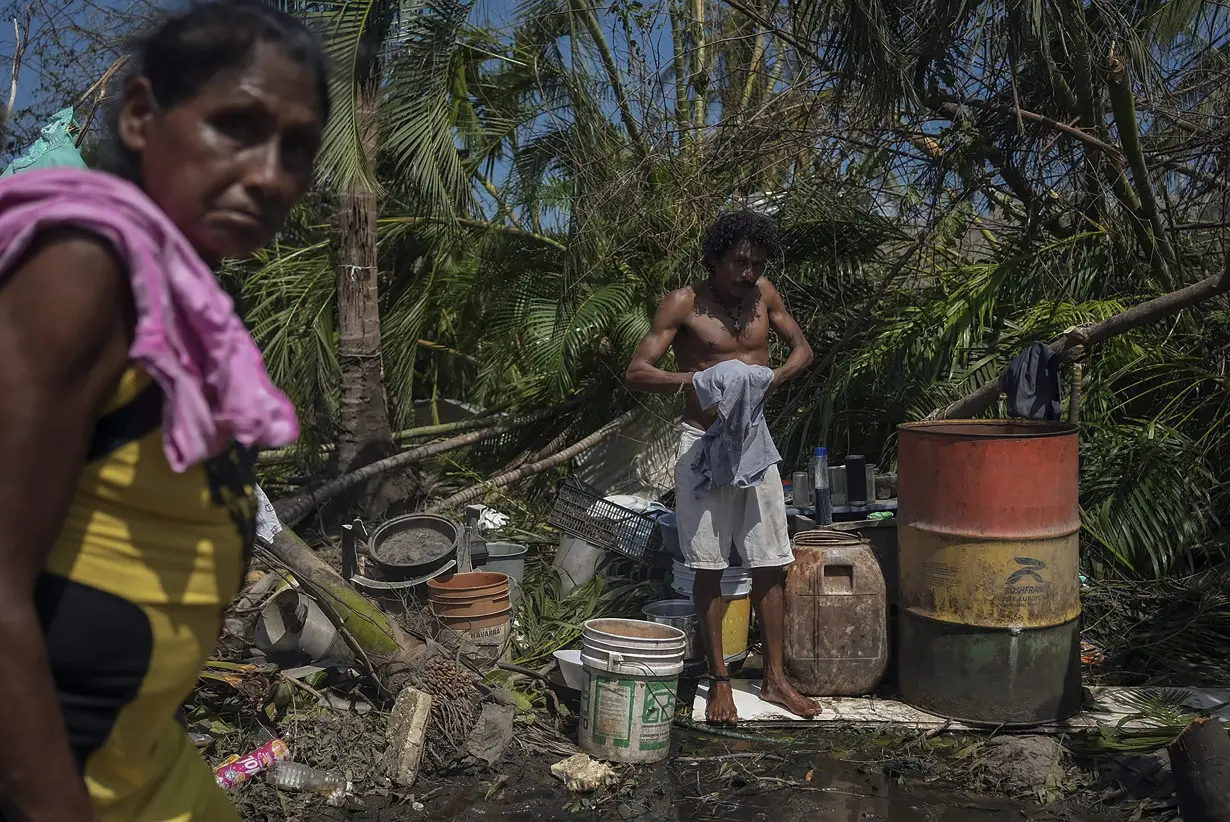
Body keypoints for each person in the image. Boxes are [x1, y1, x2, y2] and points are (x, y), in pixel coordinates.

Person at [0, 3, 328, 819]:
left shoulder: (182, 314)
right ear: (143, 116)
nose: (271, 173)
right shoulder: (82, 269)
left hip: (143, 765)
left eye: (298, 148)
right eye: (237, 126)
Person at [625, 210, 819, 725]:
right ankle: (720, 681)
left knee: (771, 559)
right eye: (738, 262)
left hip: (755, 442)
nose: (748, 272)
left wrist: (769, 378)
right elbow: (637, 371)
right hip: (701, 445)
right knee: (708, 563)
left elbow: (803, 349)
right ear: (713, 259)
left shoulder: (765, 296)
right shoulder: (684, 302)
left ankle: (776, 680)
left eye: (756, 263)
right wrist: (697, 382)